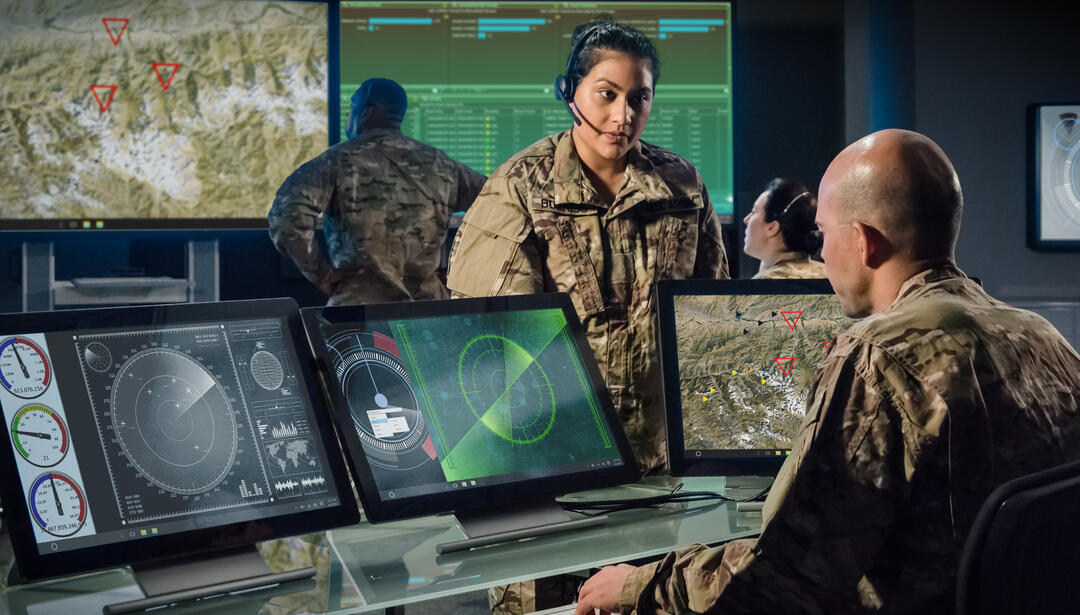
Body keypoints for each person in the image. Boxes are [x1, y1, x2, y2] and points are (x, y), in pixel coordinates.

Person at [575, 129, 1080, 615]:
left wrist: (638, 585)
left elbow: (782, 578)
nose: (820, 253)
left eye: (824, 235)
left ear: (863, 242)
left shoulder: (879, 357)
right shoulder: (1043, 337)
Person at [446, 18, 729, 475]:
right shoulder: (520, 187)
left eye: (639, 98)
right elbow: (492, 342)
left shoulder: (681, 185)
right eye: (607, 93)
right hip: (556, 455)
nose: (623, 116)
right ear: (569, 91)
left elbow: (710, 314)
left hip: (662, 456)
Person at [268, 78, 486, 306]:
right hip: (428, 312)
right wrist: (462, 273)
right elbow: (504, 208)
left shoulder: (336, 162)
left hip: (359, 312)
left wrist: (320, 274)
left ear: (365, 113)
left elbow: (286, 219)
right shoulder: (443, 166)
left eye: (351, 108)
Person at [743, 177, 826, 279]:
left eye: (754, 212)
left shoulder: (765, 283)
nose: (746, 219)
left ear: (772, 228)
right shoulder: (828, 275)